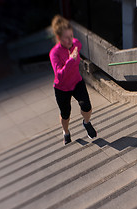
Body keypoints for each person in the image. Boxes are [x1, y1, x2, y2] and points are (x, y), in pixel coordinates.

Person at [49, 15, 97, 145]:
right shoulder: (54, 53)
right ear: (59, 38)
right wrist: (71, 60)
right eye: (67, 37)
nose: (71, 39)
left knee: (86, 106)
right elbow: (59, 75)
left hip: (76, 82)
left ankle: (86, 123)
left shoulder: (74, 43)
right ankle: (66, 132)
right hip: (62, 88)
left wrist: (75, 53)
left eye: (71, 35)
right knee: (65, 114)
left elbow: (79, 43)